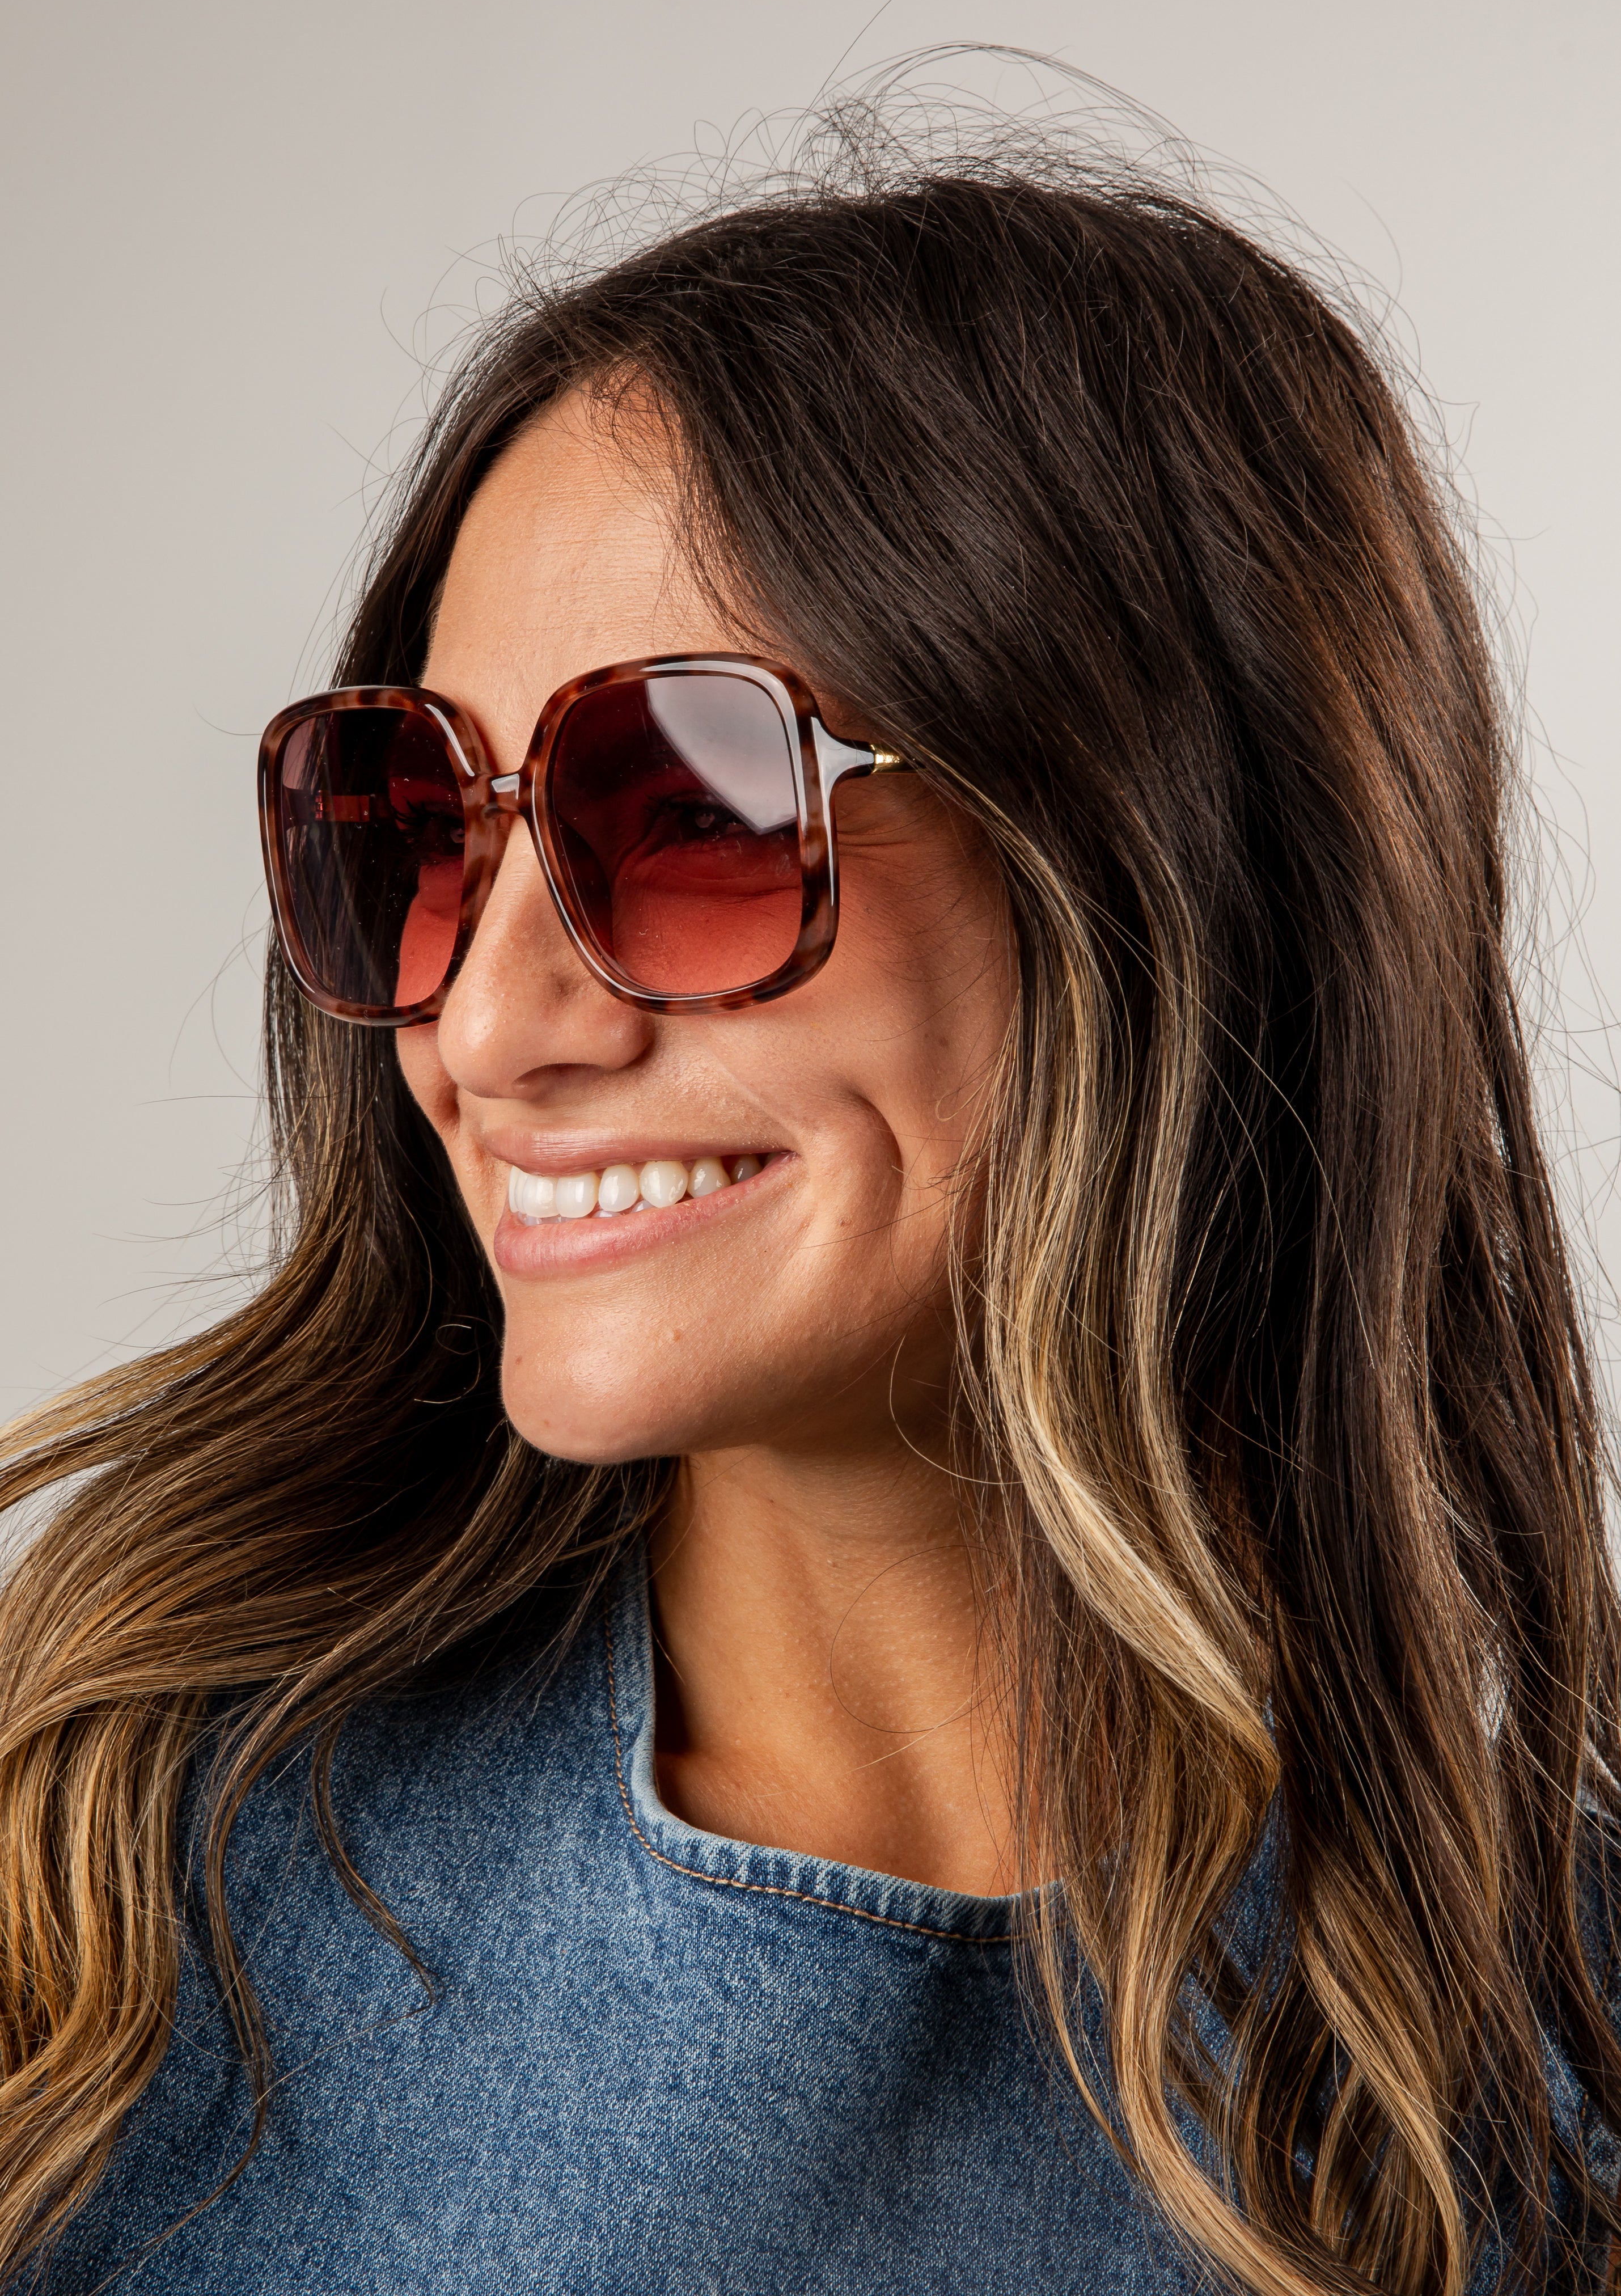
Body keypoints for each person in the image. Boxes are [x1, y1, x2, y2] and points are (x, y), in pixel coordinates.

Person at [2, 111, 1619, 2296]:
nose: (489, 1029)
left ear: (1182, 875)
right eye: (410, 829)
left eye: (683, 806)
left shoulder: (1560, 2047)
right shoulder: (88, 1936)